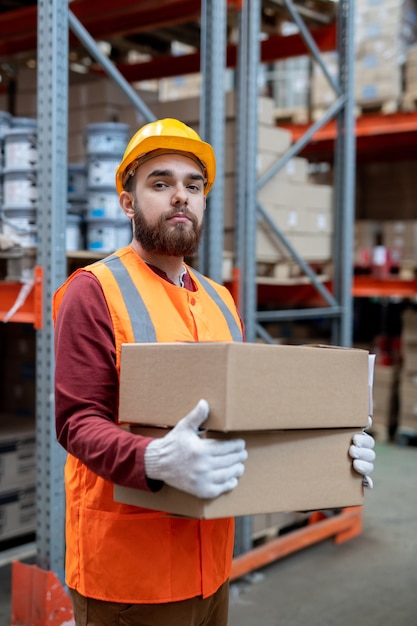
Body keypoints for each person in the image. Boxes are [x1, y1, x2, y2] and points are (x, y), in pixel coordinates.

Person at [53, 118, 375, 626]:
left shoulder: (221, 300)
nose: (180, 196)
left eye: (193, 185)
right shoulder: (93, 290)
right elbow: (76, 421)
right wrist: (155, 459)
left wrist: (333, 448)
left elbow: (245, 416)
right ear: (128, 202)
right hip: (129, 574)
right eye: (160, 183)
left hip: (212, 565)